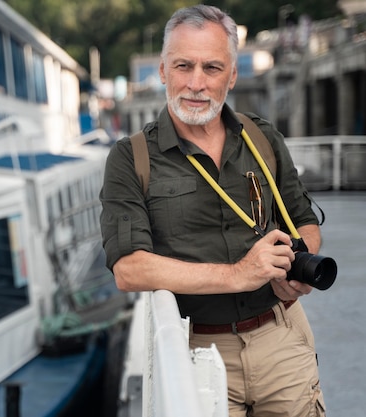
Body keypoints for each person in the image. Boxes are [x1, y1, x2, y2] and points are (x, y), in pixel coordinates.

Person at [100, 5, 325, 417]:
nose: (197, 83)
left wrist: (296, 270)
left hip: (282, 336)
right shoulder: (130, 158)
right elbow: (129, 269)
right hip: (196, 350)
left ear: (233, 75)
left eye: (212, 68)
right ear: (164, 71)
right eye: (184, 66)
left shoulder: (262, 136)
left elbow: (305, 220)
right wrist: (240, 274)